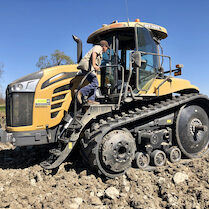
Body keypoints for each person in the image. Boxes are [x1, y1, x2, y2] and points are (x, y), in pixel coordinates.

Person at [77, 40, 109, 105]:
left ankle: (90, 100)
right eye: (107, 47)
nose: (107, 49)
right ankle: (81, 92)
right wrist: (94, 65)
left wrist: (95, 70)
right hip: (87, 67)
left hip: (88, 68)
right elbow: (94, 53)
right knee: (95, 84)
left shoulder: (100, 52)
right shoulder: (98, 47)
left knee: (94, 84)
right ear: (104, 46)